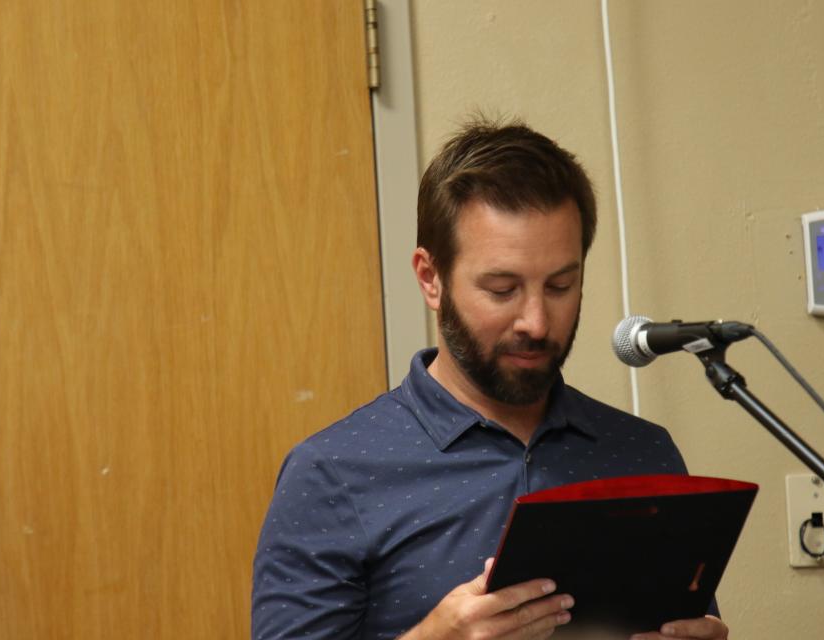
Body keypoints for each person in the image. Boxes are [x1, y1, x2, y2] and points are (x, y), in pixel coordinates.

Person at [251, 119, 729, 640]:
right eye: (502, 289)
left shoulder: (644, 454)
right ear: (431, 279)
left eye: (560, 286)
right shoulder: (331, 474)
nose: (537, 322)